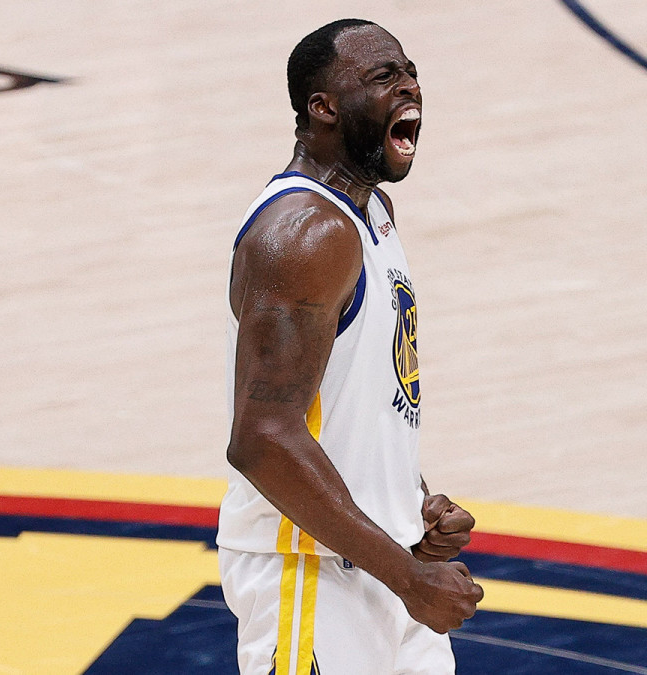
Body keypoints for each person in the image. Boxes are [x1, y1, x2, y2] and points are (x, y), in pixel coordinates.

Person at [217, 18, 484, 675]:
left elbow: (354, 400)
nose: (409, 85)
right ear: (323, 107)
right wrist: (410, 578)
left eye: (410, 70)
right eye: (382, 77)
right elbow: (264, 437)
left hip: (378, 559)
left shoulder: (370, 215)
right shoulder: (305, 233)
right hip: (312, 576)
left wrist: (409, 496)